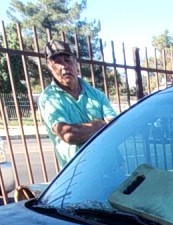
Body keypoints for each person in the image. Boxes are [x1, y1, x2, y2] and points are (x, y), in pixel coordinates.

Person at [37, 39, 117, 167]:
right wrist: (101, 123)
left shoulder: (96, 94)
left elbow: (114, 126)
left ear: (75, 63)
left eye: (67, 61)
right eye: (57, 62)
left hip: (110, 165)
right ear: (50, 67)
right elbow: (69, 134)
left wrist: (85, 129)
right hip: (80, 173)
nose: (64, 66)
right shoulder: (49, 99)